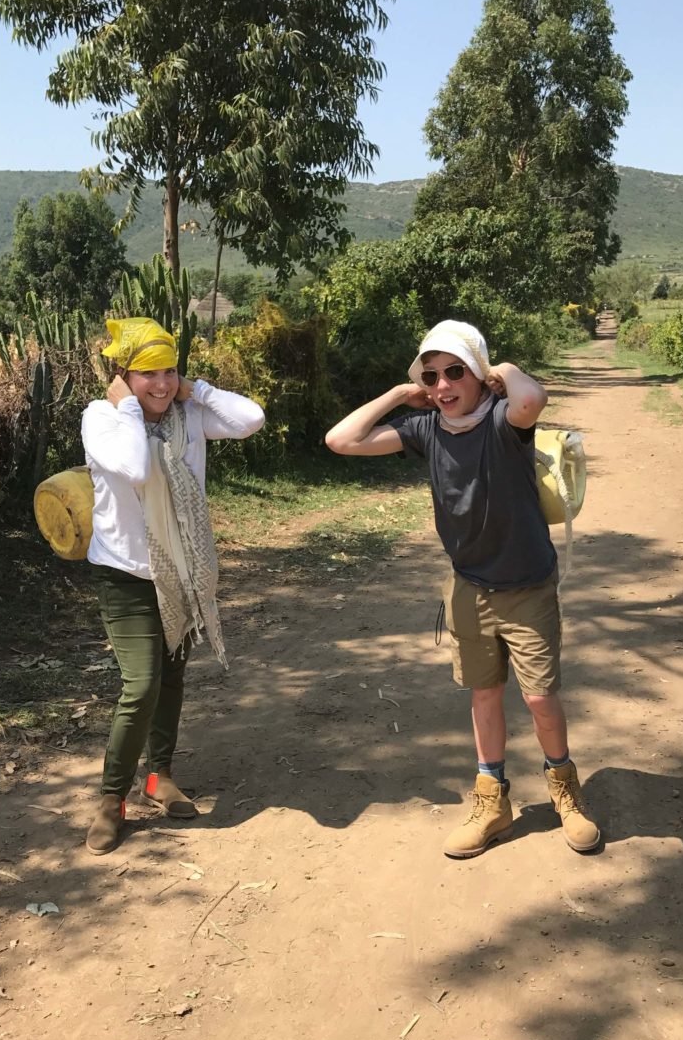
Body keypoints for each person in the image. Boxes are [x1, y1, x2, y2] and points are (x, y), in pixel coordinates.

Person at [324, 319, 600, 859]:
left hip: (527, 588)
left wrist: (501, 371)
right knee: (484, 694)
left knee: (541, 696)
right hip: (469, 589)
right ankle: (491, 800)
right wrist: (403, 394)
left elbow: (532, 399)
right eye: (433, 375)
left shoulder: (502, 422)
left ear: (477, 375)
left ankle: (565, 789)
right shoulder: (425, 429)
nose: (443, 384)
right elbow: (341, 440)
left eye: (456, 372)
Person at [80, 316, 265, 855]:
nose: (161, 384)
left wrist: (194, 389)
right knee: (141, 686)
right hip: (127, 575)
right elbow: (136, 467)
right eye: (147, 375)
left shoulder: (189, 415)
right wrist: (131, 406)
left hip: (181, 572)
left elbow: (251, 418)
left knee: (172, 682)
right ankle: (111, 802)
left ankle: (158, 778)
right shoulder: (101, 418)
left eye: (169, 371)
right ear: (122, 376)